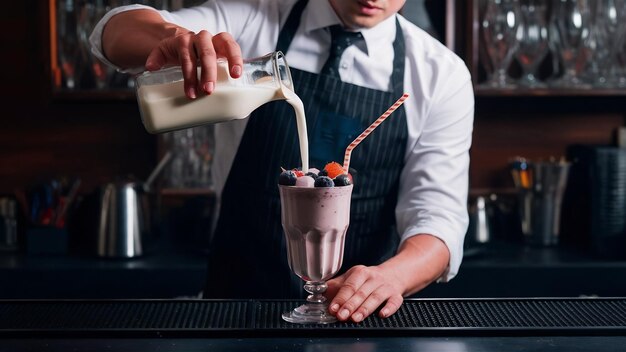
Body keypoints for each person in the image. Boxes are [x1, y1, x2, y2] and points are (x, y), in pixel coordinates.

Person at [90, 0, 474, 323]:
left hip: (355, 324)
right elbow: (112, 31)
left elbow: (438, 220)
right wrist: (171, 39)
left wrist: (392, 276)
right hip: (233, 313)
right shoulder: (255, 17)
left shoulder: (440, 75)